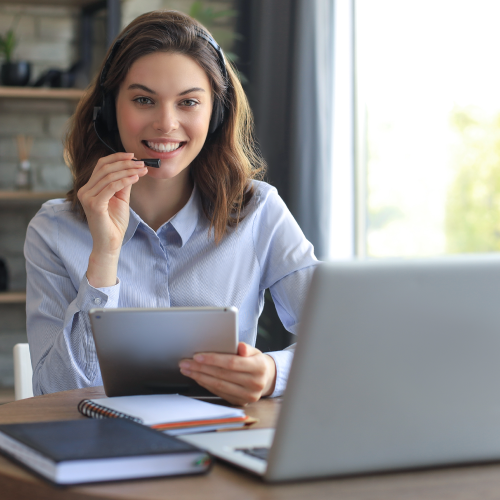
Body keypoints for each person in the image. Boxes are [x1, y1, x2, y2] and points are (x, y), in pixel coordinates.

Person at [24, 10, 318, 405]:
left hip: (221, 444)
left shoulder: (259, 211)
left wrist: (272, 373)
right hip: (103, 449)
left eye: (188, 102)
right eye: (144, 99)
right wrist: (104, 257)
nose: (166, 123)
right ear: (109, 111)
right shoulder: (52, 230)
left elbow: (339, 339)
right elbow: (57, 394)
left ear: (215, 113)